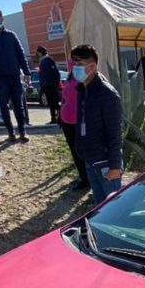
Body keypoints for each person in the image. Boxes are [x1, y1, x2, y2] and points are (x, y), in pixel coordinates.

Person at [72, 44, 123, 203]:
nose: (75, 68)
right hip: (90, 159)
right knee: (99, 206)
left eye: (79, 64)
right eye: (74, 64)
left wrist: (115, 166)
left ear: (92, 66)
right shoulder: (83, 90)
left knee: (112, 208)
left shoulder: (107, 94)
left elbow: (115, 132)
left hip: (105, 163)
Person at [0, 8, 32, 143]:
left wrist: (26, 72)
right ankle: (10, 133)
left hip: (15, 76)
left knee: (18, 106)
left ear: (2, 18)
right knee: (4, 106)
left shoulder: (11, 35)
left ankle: (22, 131)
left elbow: (20, 54)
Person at [60, 60, 88, 192]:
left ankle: (89, 179)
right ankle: (84, 178)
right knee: (75, 151)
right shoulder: (69, 77)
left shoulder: (83, 78)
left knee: (83, 151)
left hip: (79, 121)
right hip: (67, 122)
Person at [36, 45, 61, 124]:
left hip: (50, 85)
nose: (37, 54)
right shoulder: (43, 60)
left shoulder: (47, 60)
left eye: (38, 52)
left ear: (40, 52)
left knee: (54, 103)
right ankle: (54, 118)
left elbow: (52, 73)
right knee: (52, 103)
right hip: (47, 85)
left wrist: (54, 83)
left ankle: (58, 117)